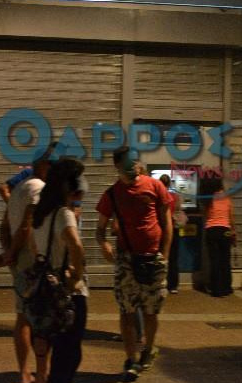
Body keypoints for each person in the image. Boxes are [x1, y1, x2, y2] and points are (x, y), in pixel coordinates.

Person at [95, 147, 173, 382]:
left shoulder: (155, 186)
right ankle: (131, 359)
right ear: (117, 166)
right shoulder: (112, 194)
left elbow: (166, 222)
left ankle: (148, 349)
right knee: (127, 311)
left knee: (151, 311)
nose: (133, 166)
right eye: (127, 162)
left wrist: (165, 255)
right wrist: (104, 244)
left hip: (153, 258)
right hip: (127, 260)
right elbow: (100, 229)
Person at [29, 158, 87, 383]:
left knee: (54, 344)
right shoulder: (63, 213)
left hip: (45, 288)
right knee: (68, 352)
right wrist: (76, 277)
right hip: (66, 292)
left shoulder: (41, 213)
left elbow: (34, 247)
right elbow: (76, 246)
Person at [6, 152, 52, 383]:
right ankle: (42, 371)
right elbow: (27, 225)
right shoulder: (38, 188)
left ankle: (24, 371)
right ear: (43, 165)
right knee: (41, 319)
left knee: (23, 316)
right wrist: (14, 252)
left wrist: (9, 253)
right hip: (33, 260)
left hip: (21, 259)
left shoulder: (18, 188)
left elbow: (4, 225)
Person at [201, 178, 236, 297]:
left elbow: (206, 215)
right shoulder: (227, 197)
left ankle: (217, 289)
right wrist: (234, 231)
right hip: (225, 230)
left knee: (214, 260)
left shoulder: (209, 198)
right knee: (225, 260)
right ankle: (227, 288)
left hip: (212, 230)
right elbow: (231, 217)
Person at [159, 174, 184, 294]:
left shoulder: (158, 196)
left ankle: (160, 283)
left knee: (160, 257)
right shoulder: (175, 196)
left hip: (161, 230)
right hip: (174, 229)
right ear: (169, 184)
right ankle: (173, 286)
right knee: (174, 257)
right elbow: (179, 210)